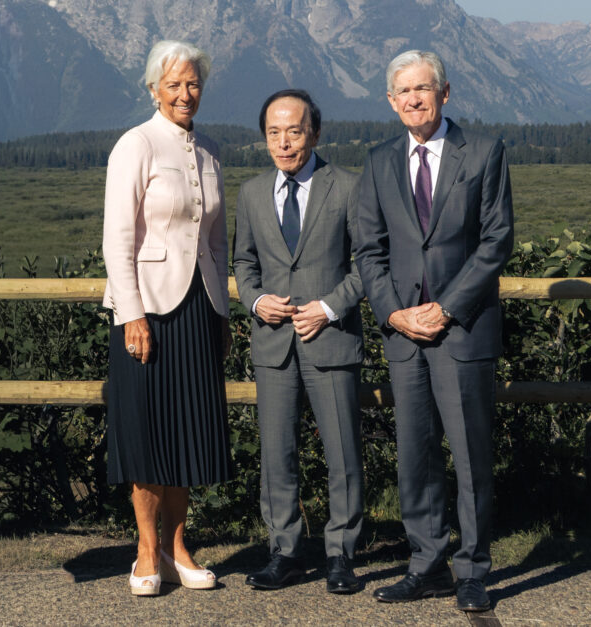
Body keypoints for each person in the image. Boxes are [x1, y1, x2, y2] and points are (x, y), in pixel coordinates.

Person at [355, 50, 514, 610]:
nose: (414, 99)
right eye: (403, 91)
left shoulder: (484, 151)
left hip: (462, 329)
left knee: (470, 455)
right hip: (404, 333)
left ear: (446, 93)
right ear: (391, 100)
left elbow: (496, 240)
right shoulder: (378, 161)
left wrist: (445, 309)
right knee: (415, 454)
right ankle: (425, 565)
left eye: (423, 88)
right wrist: (393, 313)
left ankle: (472, 571)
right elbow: (368, 249)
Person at [102, 40, 232, 596]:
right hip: (147, 309)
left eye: (193, 83)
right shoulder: (136, 144)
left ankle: (179, 549)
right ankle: (146, 550)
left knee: (190, 432)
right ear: (154, 89)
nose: (185, 93)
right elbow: (117, 238)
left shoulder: (210, 152)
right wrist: (131, 314)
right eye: (174, 84)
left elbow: (217, 242)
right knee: (147, 432)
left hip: (199, 307)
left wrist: (221, 312)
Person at [233, 90, 365, 594]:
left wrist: (329, 307)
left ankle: (341, 555)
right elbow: (244, 262)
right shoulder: (251, 193)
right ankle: (284, 552)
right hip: (273, 343)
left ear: (315, 132)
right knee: (276, 455)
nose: (284, 142)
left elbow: (367, 264)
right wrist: (255, 300)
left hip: (330, 339)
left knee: (343, 453)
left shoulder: (348, 186)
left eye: (294, 131)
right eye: (274, 133)